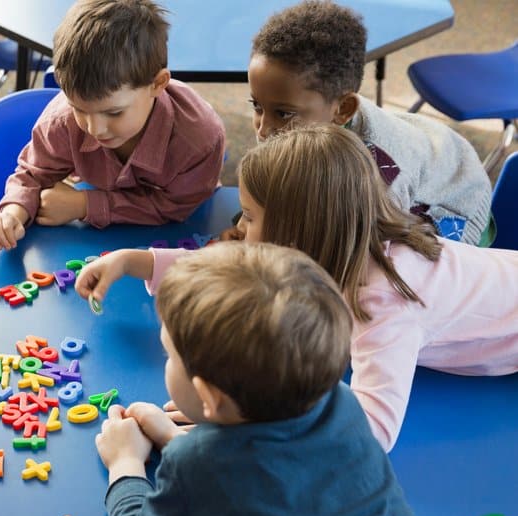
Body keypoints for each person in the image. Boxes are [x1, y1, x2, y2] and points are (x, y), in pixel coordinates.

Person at [78, 124, 518, 452]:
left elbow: (371, 434)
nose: (239, 227)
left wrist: (244, 422)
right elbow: (240, 268)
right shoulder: (340, 235)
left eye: (249, 217)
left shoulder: (382, 300)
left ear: (294, 234)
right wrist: (137, 261)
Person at [95, 242, 473, 516]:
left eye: (169, 355)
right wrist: (175, 439)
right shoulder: (341, 404)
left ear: (210, 398)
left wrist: (125, 463)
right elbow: (279, 478)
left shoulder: (193, 468)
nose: (167, 363)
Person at [241, 0, 493, 245]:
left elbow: (364, 252)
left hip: (452, 204)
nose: (264, 129)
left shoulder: (380, 176)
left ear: (343, 109)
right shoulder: (297, 119)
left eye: (283, 114)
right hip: (420, 152)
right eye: (257, 107)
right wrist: (245, 223)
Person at [0, 0, 226, 251]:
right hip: (96, 239)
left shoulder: (199, 140)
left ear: (158, 84)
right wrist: (13, 212)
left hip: (180, 238)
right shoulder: (61, 119)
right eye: (79, 109)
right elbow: (32, 174)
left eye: (114, 113)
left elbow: (175, 206)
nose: (95, 129)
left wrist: (85, 205)